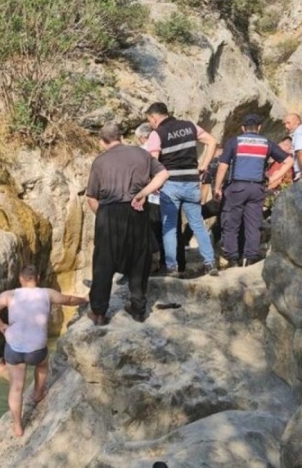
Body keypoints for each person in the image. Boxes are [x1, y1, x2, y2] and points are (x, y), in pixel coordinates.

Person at [0, 264, 88, 437]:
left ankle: (17, 426)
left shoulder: (10, 295)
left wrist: (1, 325)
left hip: (14, 348)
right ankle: (38, 393)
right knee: (42, 365)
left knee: (16, 388)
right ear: (38, 278)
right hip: (36, 349)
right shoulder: (47, 293)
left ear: (20, 279)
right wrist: (85, 299)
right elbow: (68, 300)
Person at [86, 122, 169, 324]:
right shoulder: (141, 154)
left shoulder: (100, 161)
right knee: (139, 259)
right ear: (121, 137)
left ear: (102, 141)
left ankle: (98, 313)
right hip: (137, 210)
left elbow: (91, 198)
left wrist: (105, 216)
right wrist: (143, 193)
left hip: (108, 213)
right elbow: (164, 174)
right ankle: (139, 310)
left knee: (103, 263)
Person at [145, 102, 219, 276]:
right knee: (198, 224)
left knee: (169, 226)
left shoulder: (157, 134)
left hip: (170, 184)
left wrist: (154, 182)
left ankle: (172, 267)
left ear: (155, 117)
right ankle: (210, 263)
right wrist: (204, 165)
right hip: (192, 182)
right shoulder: (189, 126)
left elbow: (153, 162)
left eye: (150, 121)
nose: (151, 124)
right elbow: (212, 141)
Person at [214, 114, 294, 268]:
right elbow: (289, 160)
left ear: (243, 128)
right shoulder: (267, 143)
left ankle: (233, 259)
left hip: (236, 187)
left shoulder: (234, 142)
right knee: (253, 224)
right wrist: (274, 177)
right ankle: (250, 258)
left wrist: (217, 187)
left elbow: (223, 166)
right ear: (259, 127)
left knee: (232, 224)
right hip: (257, 188)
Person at [135, 123, 165, 272]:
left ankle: (153, 264)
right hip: (164, 195)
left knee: (151, 230)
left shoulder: (141, 151)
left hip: (149, 196)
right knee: (164, 229)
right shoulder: (162, 147)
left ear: (143, 137)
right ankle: (164, 263)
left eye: (139, 138)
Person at [283, 113, 302, 179]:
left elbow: (300, 152)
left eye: (288, 123)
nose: (286, 126)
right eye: (285, 124)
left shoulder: (298, 133)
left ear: (298, 121)